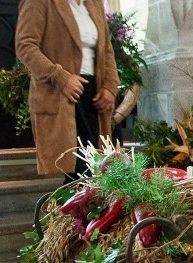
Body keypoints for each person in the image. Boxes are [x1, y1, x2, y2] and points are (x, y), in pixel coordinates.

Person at [15, 0, 119, 181]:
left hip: (94, 95)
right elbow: (25, 46)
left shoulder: (93, 3)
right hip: (59, 93)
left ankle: (80, 199)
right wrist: (60, 78)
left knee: (96, 169)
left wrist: (110, 86)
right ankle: (73, 200)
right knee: (79, 171)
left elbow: (107, 50)